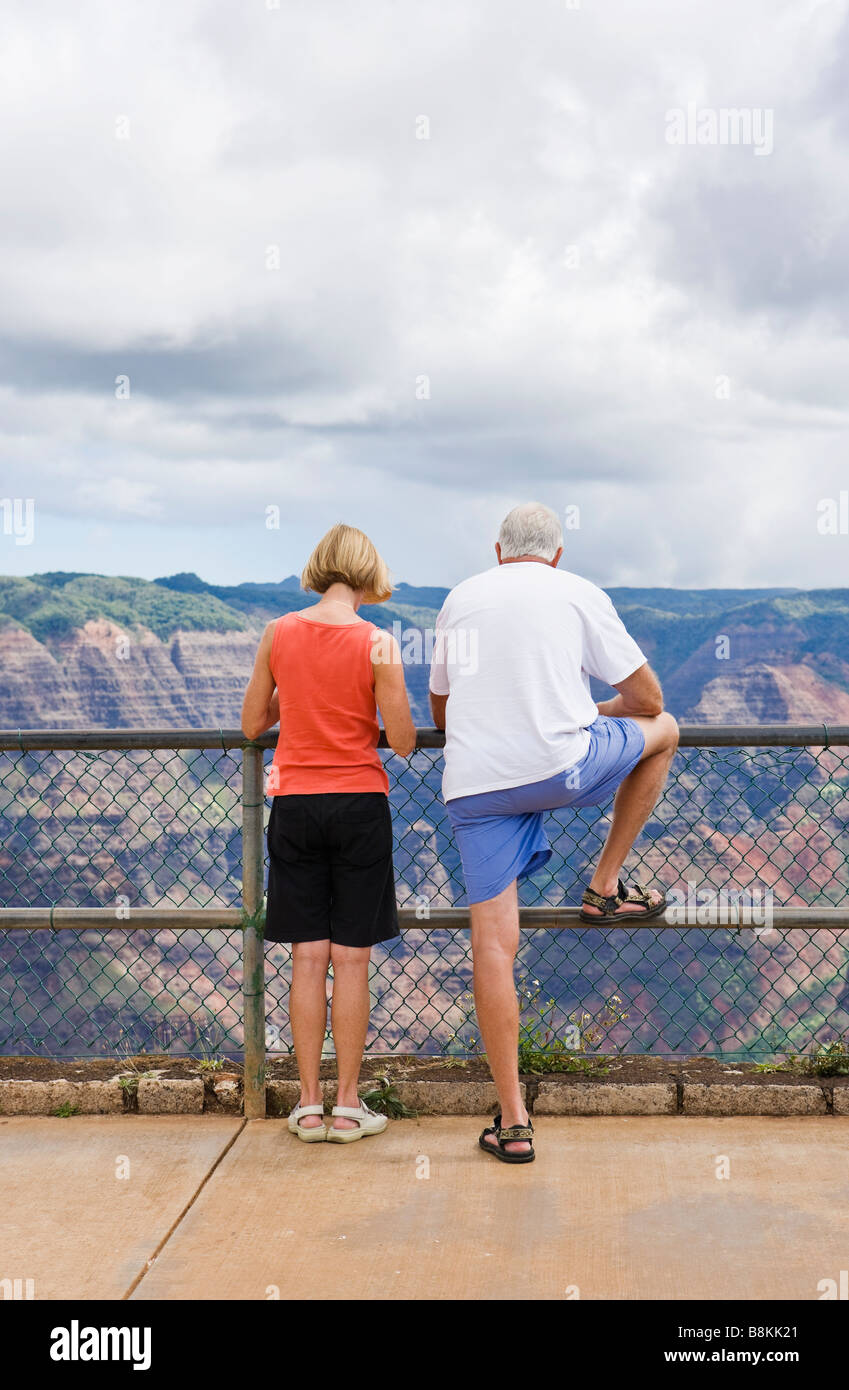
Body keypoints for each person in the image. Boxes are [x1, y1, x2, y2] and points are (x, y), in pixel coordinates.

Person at [429, 502, 679, 1164]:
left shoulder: (460, 598)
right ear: (557, 554)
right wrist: (581, 711)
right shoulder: (578, 593)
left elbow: (440, 707)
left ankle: (513, 1122)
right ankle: (603, 886)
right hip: (561, 767)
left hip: (477, 785)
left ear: (497, 551)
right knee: (668, 732)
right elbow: (648, 701)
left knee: (492, 945)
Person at [242, 523, 415, 1143]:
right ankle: (348, 1105)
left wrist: (304, 695)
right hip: (360, 806)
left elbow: (251, 723)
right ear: (369, 576)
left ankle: (308, 1106)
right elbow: (402, 739)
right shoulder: (378, 642)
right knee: (353, 960)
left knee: (307, 959)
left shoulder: (278, 633)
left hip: (295, 804)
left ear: (320, 568)